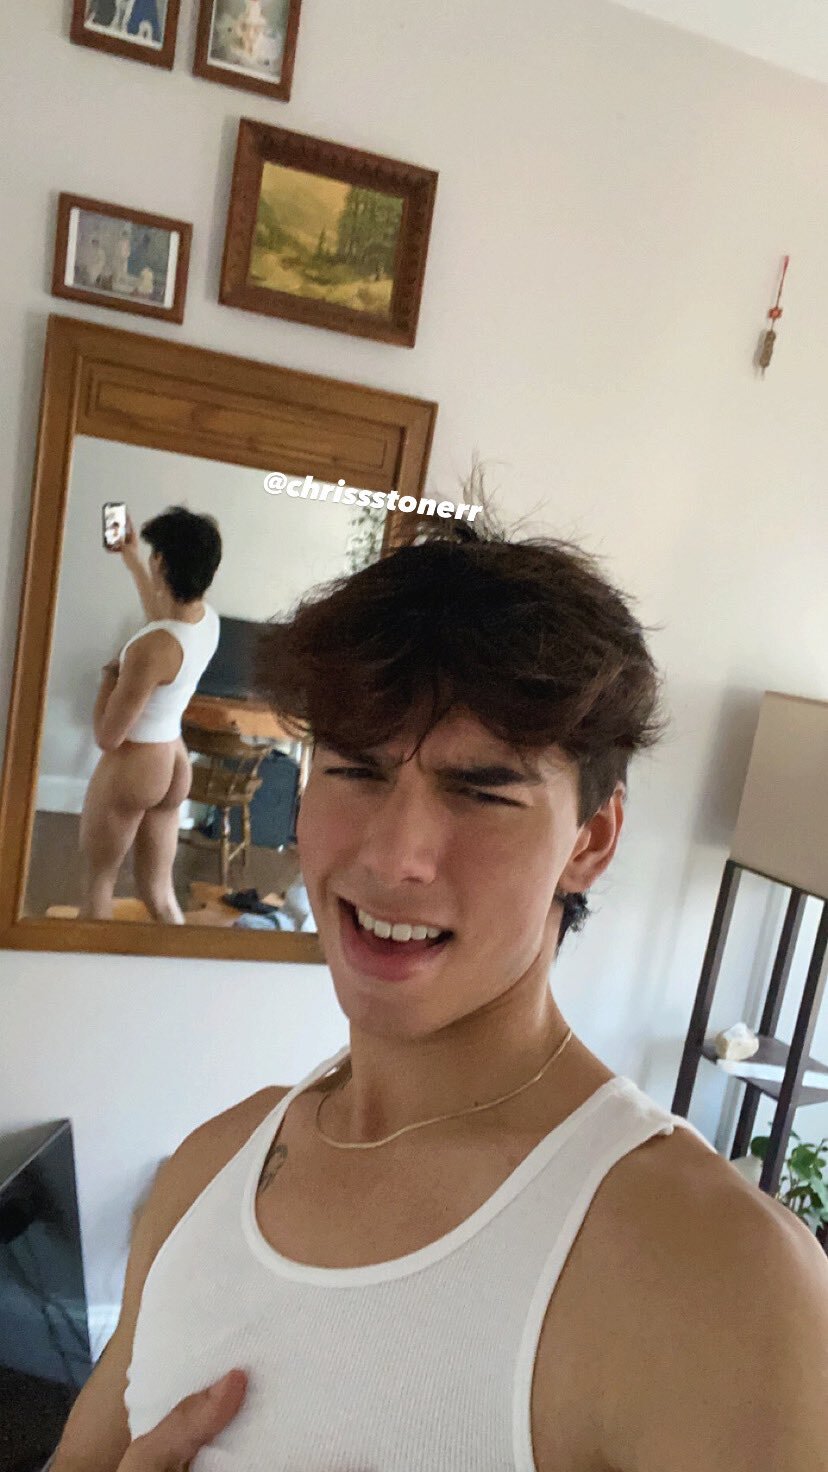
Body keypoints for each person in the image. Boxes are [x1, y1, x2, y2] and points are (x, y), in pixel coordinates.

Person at [55, 516, 828, 1470]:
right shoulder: (207, 1170)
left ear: (590, 840)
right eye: (356, 770)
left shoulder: (720, 1281)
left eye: (480, 792)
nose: (394, 857)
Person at [78, 506, 221, 924]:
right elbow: (163, 620)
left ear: (161, 562)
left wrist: (110, 677)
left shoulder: (150, 650)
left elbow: (108, 736)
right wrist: (131, 559)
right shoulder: (207, 620)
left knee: (99, 884)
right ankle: (178, 957)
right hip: (174, 760)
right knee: (159, 892)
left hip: (136, 764)